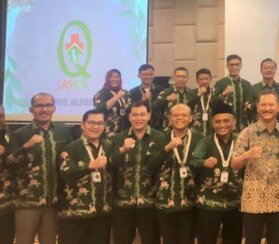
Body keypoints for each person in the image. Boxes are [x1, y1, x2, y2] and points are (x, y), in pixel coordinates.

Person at [232, 90, 279, 244]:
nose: (267, 108)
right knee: (252, 240)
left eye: (271, 104)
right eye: (263, 104)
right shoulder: (247, 133)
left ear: (278, 107)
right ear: (257, 107)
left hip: (278, 197)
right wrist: (247, 155)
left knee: (276, 240)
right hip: (253, 199)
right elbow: (234, 164)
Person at [9, 92, 73, 244]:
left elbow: (69, 161)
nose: (44, 109)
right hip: (27, 201)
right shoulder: (19, 134)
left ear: (54, 108)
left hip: (53, 201)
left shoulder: (64, 131)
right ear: (31, 110)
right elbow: (8, 162)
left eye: (48, 105)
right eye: (39, 106)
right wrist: (26, 146)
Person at [109, 103, 168, 244]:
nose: (138, 118)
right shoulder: (119, 138)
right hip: (123, 203)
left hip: (150, 202)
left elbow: (164, 167)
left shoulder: (160, 137)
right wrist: (122, 149)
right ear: (129, 117)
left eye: (142, 114)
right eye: (135, 115)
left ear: (148, 116)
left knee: (151, 240)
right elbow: (110, 164)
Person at [57, 110, 113, 244]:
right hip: (74, 214)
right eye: (91, 122)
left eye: (100, 123)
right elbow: (65, 174)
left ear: (104, 126)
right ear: (82, 125)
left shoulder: (109, 147)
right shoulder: (71, 148)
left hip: (102, 213)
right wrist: (89, 166)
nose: (95, 126)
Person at [155, 103, 206, 244]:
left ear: (190, 118)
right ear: (170, 118)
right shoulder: (160, 138)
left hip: (190, 202)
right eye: (175, 115)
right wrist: (166, 149)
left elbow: (202, 169)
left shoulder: (200, 139)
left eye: (184, 115)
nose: (179, 118)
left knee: (187, 240)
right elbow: (150, 167)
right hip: (166, 201)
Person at [195, 102, 243, 244]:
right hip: (209, 203)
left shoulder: (241, 141)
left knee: (233, 240)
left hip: (235, 203)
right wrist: (203, 163)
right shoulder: (206, 142)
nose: (222, 125)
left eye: (226, 121)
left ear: (233, 122)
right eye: (218, 121)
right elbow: (192, 160)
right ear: (212, 123)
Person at [213, 54, 254, 130]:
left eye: (237, 64)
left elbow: (250, 104)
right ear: (227, 66)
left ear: (241, 66)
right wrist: (224, 94)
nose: (234, 67)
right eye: (231, 65)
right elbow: (212, 104)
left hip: (243, 127)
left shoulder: (247, 84)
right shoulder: (221, 83)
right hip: (225, 127)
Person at [249, 58, 279, 123]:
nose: (269, 70)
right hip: (258, 127)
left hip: (277, 127)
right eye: (266, 68)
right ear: (261, 70)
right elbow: (247, 110)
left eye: (272, 68)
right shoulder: (253, 88)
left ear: (275, 70)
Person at [94, 69, 132, 135]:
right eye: (111, 77)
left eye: (117, 77)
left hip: (126, 130)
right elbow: (99, 109)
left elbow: (132, 108)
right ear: (107, 78)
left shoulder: (125, 93)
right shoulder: (101, 94)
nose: (115, 79)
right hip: (108, 133)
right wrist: (116, 97)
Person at [128, 64, 165, 129]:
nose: (148, 77)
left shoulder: (161, 90)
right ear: (139, 76)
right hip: (138, 128)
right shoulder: (132, 92)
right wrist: (142, 100)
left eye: (150, 74)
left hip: (158, 128)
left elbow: (164, 110)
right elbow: (128, 111)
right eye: (145, 74)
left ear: (154, 75)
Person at [0, 105, 14, 244]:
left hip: (7, 201)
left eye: (2, 116)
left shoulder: (8, 134)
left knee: (6, 237)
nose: (1, 119)